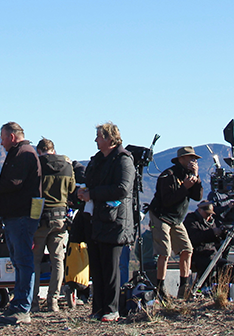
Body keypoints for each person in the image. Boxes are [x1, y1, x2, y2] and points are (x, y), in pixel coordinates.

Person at [0, 122, 41, 325]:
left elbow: (15, 183)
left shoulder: (23, 153)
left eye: (3, 138)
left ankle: (22, 308)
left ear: (12, 137)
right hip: (18, 215)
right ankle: (17, 305)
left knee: (23, 261)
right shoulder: (23, 152)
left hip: (21, 216)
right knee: (19, 261)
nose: (0, 142)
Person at [77, 122, 135, 322]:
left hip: (115, 221)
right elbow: (92, 182)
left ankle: (112, 309)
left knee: (111, 267)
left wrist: (92, 194)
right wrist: (83, 191)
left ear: (110, 138)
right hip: (96, 219)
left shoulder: (123, 160)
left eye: (99, 136)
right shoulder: (98, 160)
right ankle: (98, 308)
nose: (96, 140)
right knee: (97, 267)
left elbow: (122, 188)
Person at [148, 146, 203, 299]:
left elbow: (198, 197)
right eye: (190, 158)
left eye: (195, 159)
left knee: (187, 249)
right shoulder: (169, 175)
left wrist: (196, 178)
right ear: (181, 159)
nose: (193, 161)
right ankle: (160, 288)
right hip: (161, 216)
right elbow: (167, 201)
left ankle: (184, 288)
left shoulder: (189, 175)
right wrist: (184, 187)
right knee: (164, 251)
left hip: (177, 219)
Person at [32, 137, 75, 312]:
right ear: (53, 150)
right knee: (57, 259)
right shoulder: (67, 166)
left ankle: (33, 302)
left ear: (39, 151)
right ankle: (53, 301)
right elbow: (71, 189)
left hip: (39, 217)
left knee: (34, 261)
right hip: (60, 218)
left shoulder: (36, 165)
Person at [184, 201, 224, 285]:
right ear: (200, 210)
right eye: (207, 214)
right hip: (198, 254)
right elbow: (194, 238)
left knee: (224, 265)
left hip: (212, 253)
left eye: (210, 214)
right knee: (208, 265)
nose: (209, 216)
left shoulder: (212, 222)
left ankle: (219, 287)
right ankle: (202, 288)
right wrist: (212, 232)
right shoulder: (191, 220)